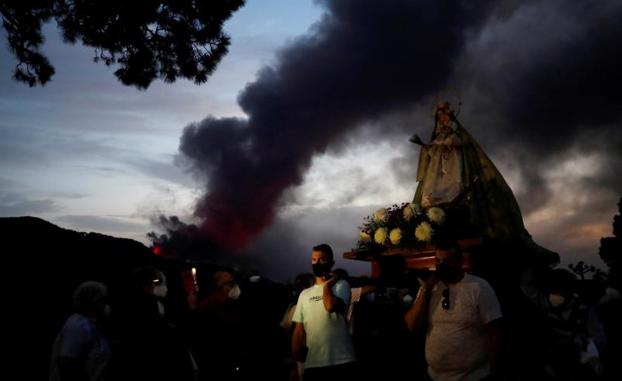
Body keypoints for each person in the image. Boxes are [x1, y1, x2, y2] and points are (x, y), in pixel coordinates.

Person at [405, 241, 502, 381]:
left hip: (473, 377)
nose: (441, 265)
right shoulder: (430, 287)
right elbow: (411, 326)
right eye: (438, 260)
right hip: (435, 376)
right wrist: (425, 290)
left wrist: (494, 373)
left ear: (459, 262)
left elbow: (495, 334)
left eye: (447, 261)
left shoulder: (478, 287)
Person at [291, 244, 356, 381]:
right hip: (313, 365)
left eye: (321, 260)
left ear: (331, 263)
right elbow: (299, 332)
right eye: (314, 259)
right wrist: (297, 364)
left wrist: (327, 285)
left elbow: (330, 305)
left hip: (342, 361)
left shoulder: (341, 285)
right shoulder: (304, 294)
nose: (317, 263)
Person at [49, 281, 111, 381]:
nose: (106, 305)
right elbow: (67, 365)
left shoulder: (94, 326)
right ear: (94, 302)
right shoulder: (77, 325)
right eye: (103, 300)